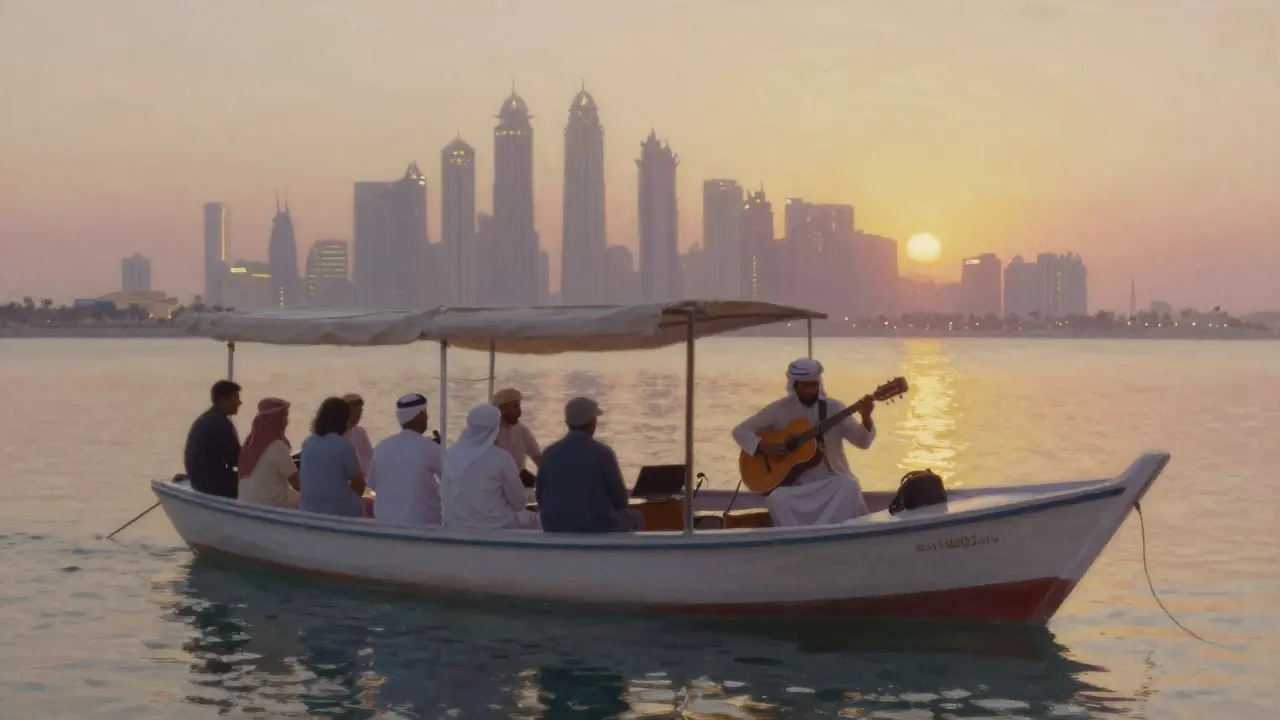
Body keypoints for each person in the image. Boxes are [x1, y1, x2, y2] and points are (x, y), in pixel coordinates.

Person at [731, 358, 875, 526]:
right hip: (797, 487)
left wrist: (866, 417)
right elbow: (740, 431)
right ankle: (799, 537)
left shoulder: (834, 407)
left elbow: (862, 441)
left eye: (814, 384)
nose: (811, 390)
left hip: (831, 482)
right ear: (795, 385)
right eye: (805, 386)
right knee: (777, 498)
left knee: (850, 485)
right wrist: (763, 446)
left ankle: (836, 533)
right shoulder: (780, 409)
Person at [536, 397, 644, 533]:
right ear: (593, 423)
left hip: (553, 526)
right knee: (636, 517)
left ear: (567, 423)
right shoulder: (603, 453)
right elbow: (620, 501)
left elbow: (540, 496)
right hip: (596, 526)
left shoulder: (548, 453)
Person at [441, 404, 540, 531]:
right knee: (535, 519)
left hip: (456, 524)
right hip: (495, 525)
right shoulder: (501, 458)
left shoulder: (451, 453)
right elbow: (519, 502)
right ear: (495, 428)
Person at [367, 393, 443, 525]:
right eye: (425, 414)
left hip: (384, 522)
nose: (427, 418)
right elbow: (451, 479)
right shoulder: (430, 447)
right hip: (421, 523)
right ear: (419, 416)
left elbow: (372, 483)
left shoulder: (382, 446)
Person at [299, 397, 367, 518]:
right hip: (335, 511)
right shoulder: (344, 446)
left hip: (307, 507)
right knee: (369, 504)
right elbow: (359, 484)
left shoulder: (308, 442)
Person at [237, 397, 301, 509]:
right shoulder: (277, 445)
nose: (287, 421)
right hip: (269, 503)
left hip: (245, 502)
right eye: (285, 416)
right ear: (276, 419)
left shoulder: (250, 442)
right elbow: (296, 483)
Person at [183, 380, 243, 498]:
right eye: (236, 398)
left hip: (198, 480)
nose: (240, 402)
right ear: (223, 400)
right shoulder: (220, 424)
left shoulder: (206, 418)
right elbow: (236, 459)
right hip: (210, 485)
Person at [491, 388, 542, 479]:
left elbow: (537, 456)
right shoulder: (486, 433)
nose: (519, 413)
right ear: (502, 408)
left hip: (518, 477)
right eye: (515, 406)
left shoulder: (521, 430)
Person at [342, 393, 374, 474]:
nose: (359, 413)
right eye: (355, 409)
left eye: (360, 409)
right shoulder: (335, 434)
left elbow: (370, 458)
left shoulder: (360, 432)